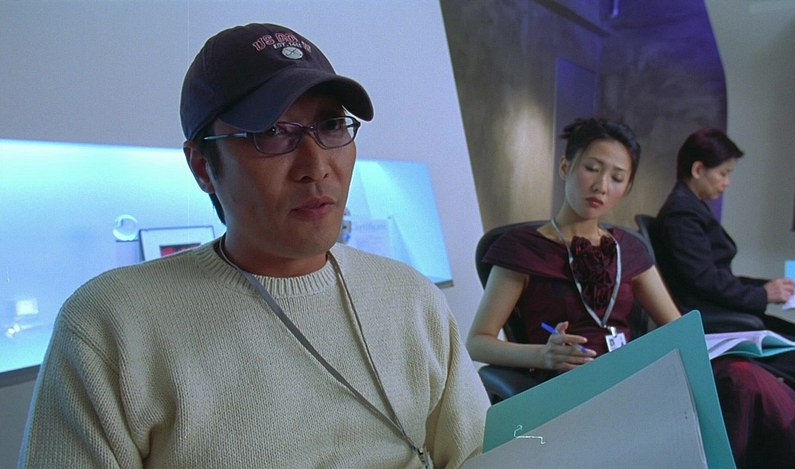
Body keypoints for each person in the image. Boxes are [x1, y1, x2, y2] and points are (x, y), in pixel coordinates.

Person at [19, 23, 488, 468]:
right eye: (273, 132)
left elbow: (479, 454)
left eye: (330, 125)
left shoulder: (410, 297)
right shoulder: (110, 325)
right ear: (203, 167)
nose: (316, 166)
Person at [467, 117, 795, 469]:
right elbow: (477, 342)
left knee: (742, 378)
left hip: (631, 380)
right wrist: (543, 355)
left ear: (627, 186)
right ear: (566, 166)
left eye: (617, 178)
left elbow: (677, 328)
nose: (601, 186)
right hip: (569, 389)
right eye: (592, 168)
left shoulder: (629, 248)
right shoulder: (522, 248)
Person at [651, 127, 795, 404]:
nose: (727, 182)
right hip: (720, 322)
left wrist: (765, 288)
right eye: (723, 173)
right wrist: (762, 294)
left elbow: (712, 276)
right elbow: (705, 281)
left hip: (727, 314)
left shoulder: (690, 208)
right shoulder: (681, 215)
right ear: (698, 169)